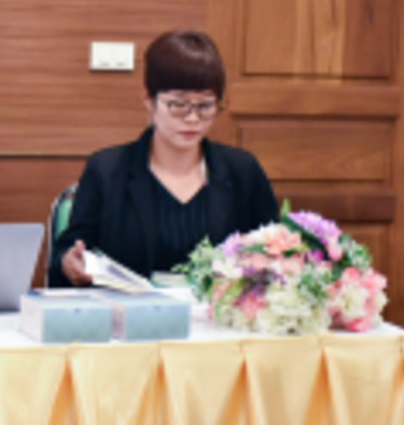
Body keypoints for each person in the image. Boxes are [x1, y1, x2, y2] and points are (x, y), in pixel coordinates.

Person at [48, 29, 277, 288]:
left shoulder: (242, 170)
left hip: (217, 311)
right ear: (149, 99)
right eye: (178, 105)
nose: (193, 118)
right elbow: (70, 250)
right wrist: (69, 261)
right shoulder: (107, 170)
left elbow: (273, 251)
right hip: (132, 309)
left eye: (205, 106)